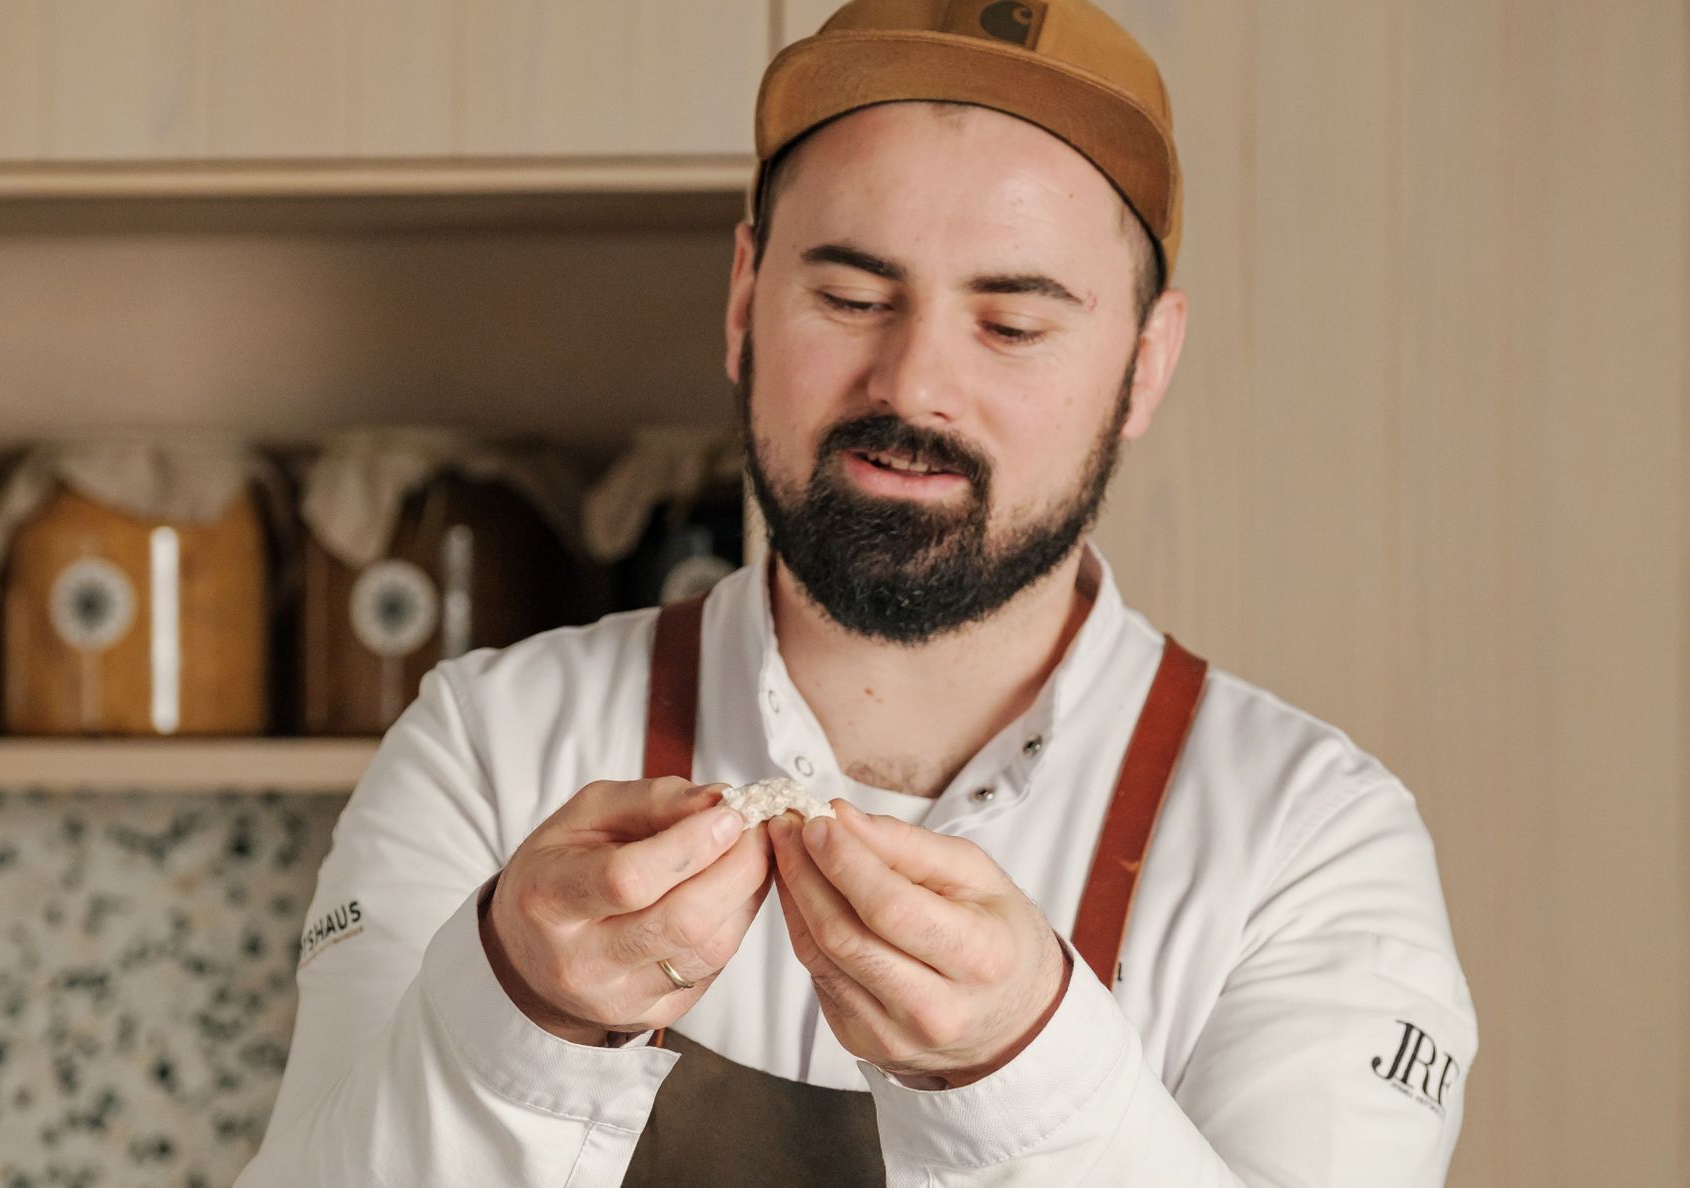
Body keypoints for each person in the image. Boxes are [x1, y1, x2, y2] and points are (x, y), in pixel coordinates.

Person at [236, 1, 1478, 1184]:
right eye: (850, 298)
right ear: (743, 302)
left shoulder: (1313, 846)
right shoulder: (486, 749)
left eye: (1013, 324)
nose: (914, 385)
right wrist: (513, 1012)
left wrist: (1020, 1066)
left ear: (1144, 366)